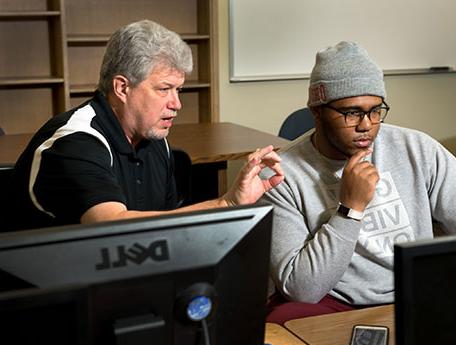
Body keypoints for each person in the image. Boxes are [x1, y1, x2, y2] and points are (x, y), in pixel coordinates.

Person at [261, 41, 456, 324]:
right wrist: (349, 209)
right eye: (352, 113)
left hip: (416, 289)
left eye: (376, 110)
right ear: (317, 110)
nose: (367, 125)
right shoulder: (279, 174)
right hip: (335, 301)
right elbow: (302, 289)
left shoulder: (418, 149)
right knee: (282, 321)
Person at [8, 20, 284, 231]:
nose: (176, 104)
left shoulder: (155, 140)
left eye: (179, 90)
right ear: (122, 88)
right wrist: (226, 204)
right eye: (164, 89)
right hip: (46, 294)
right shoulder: (74, 142)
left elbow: (162, 228)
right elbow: (112, 228)